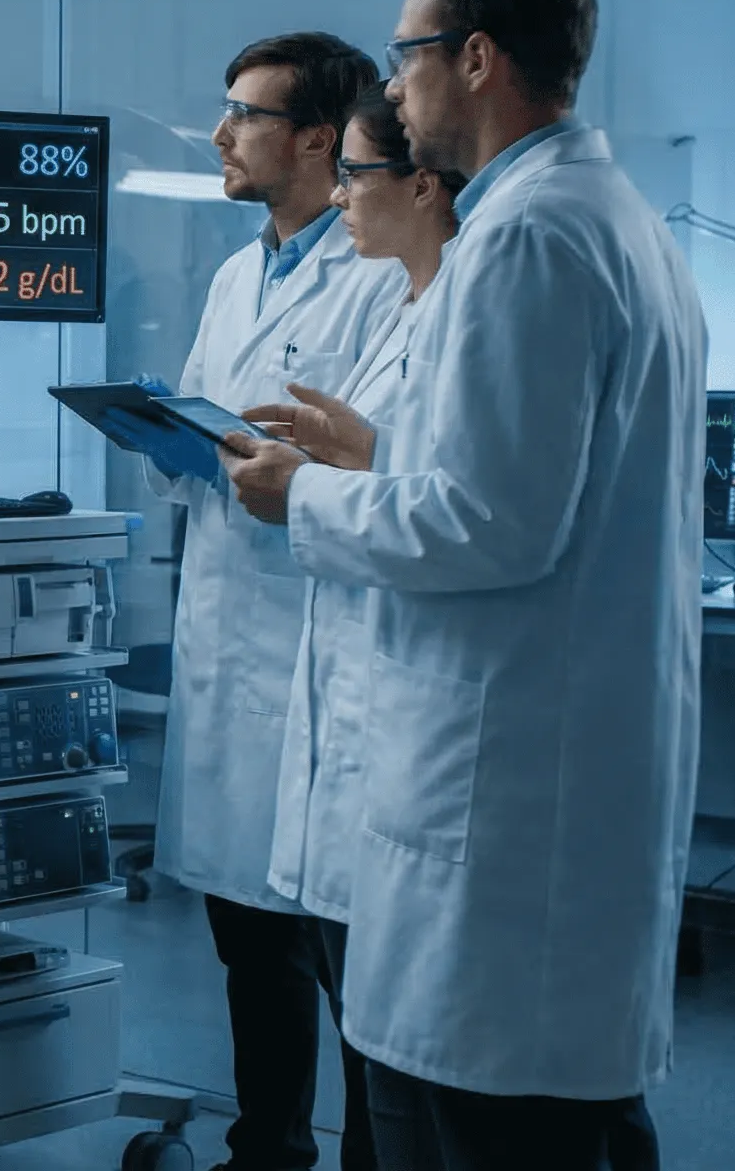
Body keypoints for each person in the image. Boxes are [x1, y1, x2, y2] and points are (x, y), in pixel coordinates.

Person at [224, 0, 701, 1171]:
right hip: (553, 777)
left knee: (487, 1130)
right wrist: (376, 458)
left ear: (475, 59)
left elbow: (490, 524)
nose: (395, 85)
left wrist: (304, 498)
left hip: (502, 808)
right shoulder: (612, 222)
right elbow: (530, 485)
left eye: (405, 54)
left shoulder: (524, 239)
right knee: (565, 1125)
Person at [126, 32, 400, 1171]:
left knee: (347, 956)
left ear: (316, 140)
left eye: (242, 113)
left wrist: (275, 472)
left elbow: (391, 464)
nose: (220, 133)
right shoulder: (242, 269)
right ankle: (266, 1148)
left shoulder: (383, 269)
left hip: (316, 642)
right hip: (229, 628)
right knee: (247, 938)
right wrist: (162, 432)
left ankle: (368, 1157)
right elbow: (207, 415)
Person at [249, 92, 461, 1075]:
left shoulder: (467, 304)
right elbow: (410, 470)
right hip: (354, 707)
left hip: (418, 729)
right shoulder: (408, 304)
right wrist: (348, 454)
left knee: (404, 1057)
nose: (338, 200)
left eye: (353, 176)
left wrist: (310, 494)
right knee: (367, 1036)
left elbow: (465, 515)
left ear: (420, 183)